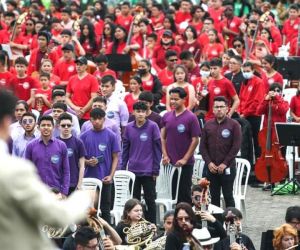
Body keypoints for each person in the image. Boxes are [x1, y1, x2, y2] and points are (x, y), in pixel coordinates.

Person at [0, 89, 90, 250]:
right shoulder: (14, 170)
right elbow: (58, 216)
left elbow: (66, 170)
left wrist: (62, 192)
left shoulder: (60, 146)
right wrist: (84, 197)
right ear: (7, 122)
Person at [122, 101, 162, 224]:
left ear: (146, 113)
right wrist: (123, 168)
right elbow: (125, 149)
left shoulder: (153, 126)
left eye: (143, 112)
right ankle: (136, 227)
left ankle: (152, 226)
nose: (140, 114)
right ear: (133, 112)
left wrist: (155, 169)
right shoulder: (128, 127)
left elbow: (157, 149)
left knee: (150, 200)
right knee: (134, 201)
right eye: (138, 111)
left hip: (148, 171)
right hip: (133, 171)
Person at [200, 96, 242, 208]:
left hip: (227, 167)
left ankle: (231, 222)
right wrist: (209, 163)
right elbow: (202, 147)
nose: (219, 109)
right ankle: (216, 223)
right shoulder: (208, 125)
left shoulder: (234, 125)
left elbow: (236, 147)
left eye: (222, 107)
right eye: (216, 107)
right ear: (212, 109)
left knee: (228, 195)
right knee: (214, 197)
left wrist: (225, 163)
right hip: (211, 168)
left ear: (227, 108)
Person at [161, 87, 201, 204]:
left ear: (184, 99)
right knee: (171, 194)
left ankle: (187, 219)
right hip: (169, 163)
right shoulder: (167, 116)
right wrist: (165, 155)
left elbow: (195, 140)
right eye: (171, 99)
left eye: (176, 99)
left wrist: (185, 159)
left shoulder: (191, 117)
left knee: (184, 194)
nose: (173, 102)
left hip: (185, 164)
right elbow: (162, 137)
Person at [80, 108, 120, 223]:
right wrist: (87, 162)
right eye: (94, 119)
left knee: (105, 209)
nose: (97, 121)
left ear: (104, 119)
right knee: (89, 209)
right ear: (90, 120)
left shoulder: (111, 135)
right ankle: (90, 233)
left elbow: (115, 157)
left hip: (105, 178)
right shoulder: (84, 136)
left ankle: (106, 235)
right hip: (89, 178)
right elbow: (80, 159)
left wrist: (111, 176)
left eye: (99, 119)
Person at [25, 115, 70, 198]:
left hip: (57, 192)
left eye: (49, 125)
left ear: (53, 127)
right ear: (38, 128)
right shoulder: (30, 146)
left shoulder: (61, 145)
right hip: (36, 192)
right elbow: (26, 171)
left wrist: (64, 192)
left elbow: (66, 171)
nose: (46, 127)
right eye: (43, 125)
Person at [238, 62, 265, 160]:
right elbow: (240, 98)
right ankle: (247, 161)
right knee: (246, 140)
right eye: (244, 71)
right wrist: (240, 110)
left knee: (255, 140)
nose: (245, 73)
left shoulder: (258, 82)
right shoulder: (244, 81)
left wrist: (245, 113)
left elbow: (257, 101)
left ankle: (258, 161)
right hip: (243, 115)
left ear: (253, 70)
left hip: (253, 115)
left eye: (248, 71)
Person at [58, 113, 86, 194]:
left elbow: (82, 166)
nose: (66, 127)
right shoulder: (54, 142)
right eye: (63, 125)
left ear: (72, 126)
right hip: (58, 183)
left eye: (68, 125)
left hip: (73, 183)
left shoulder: (78, 143)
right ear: (59, 126)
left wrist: (79, 184)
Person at [66, 56, 99, 125]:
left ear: (86, 66)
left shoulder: (92, 79)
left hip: (87, 114)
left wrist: (83, 110)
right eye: (77, 64)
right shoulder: (72, 79)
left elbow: (94, 97)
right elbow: (67, 97)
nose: (78, 66)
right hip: (73, 113)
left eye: (81, 64)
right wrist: (74, 108)